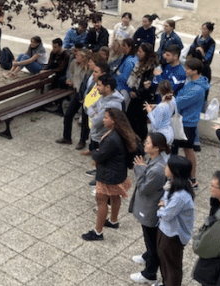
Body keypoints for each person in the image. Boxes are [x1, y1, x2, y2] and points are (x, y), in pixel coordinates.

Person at [82, 108, 137, 241]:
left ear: (113, 121)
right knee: (115, 196)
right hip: (118, 172)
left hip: (108, 175)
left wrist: (92, 153)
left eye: (106, 117)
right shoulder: (121, 133)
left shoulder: (112, 138)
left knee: (101, 201)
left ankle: (98, 232)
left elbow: (101, 156)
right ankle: (113, 221)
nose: (103, 119)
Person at [128, 132, 171, 284]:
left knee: (152, 240)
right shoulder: (155, 160)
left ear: (157, 148)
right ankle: (147, 255)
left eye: (148, 143)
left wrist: (139, 170)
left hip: (151, 208)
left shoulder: (158, 169)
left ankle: (149, 273)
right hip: (149, 205)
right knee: (149, 238)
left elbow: (144, 188)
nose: (145, 145)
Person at [158, 155, 196, 286]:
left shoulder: (181, 196)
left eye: (168, 166)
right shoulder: (174, 184)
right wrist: (164, 205)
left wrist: (161, 208)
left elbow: (166, 214)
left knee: (171, 266)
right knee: (164, 262)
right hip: (166, 230)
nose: (165, 167)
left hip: (173, 235)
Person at [174, 57, 210, 188]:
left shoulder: (197, 89)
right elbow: (180, 96)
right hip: (183, 120)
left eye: (188, 69)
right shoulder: (191, 83)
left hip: (188, 122)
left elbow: (180, 101)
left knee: (188, 151)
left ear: (195, 71)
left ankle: (192, 178)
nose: (185, 70)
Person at [126, 42, 160, 141]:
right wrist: (132, 90)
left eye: (140, 51)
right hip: (135, 96)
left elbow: (148, 85)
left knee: (140, 122)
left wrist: (137, 93)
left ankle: (140, 142)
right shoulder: (139, 64)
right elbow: (134, 78)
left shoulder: (151, 68)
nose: (138, 53)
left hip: (143, 99)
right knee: (130, 118)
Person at [57, 47, 89, 144]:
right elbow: (70, 72)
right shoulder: (74, 63)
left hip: (86, 95)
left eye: (79, 55)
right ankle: (67, 137)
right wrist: (69, 79)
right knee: (68, 115)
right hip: (77, 92)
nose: (76, 56)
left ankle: (82, 140)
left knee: (85, 119)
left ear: (84, 58)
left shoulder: (88, 69)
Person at [87, 74, 125, 152]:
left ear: (107, 87)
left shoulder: (112, 104)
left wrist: (94, 113)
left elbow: (95, 122)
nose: (97, 88)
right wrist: (95, 114)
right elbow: (90, 107)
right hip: (96, 134)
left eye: (99, 85)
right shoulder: (104, 96)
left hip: (101, 138)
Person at [144, 80, 176, 146]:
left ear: (159, 91)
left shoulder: (161, 107)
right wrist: (156, 105)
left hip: (160, 135)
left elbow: (156, 125)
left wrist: (149, 112)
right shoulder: (172, 99)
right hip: (169, 131)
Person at [187, 22, 216, 92]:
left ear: (210, 31)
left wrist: (202, 53)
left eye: (205, 29)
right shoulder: (198, 38)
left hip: (203, 67)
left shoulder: (211, 42)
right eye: (202, 29)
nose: (202, 31)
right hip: (194, 65)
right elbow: (191, 49)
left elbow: (207, 57)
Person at [114, 38, 138, 102]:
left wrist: (117, 73)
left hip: (122, 89)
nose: (121, 47)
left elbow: (125, 78)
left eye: (123, 45)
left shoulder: (130, 61)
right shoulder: (126, 57)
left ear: (129, 47)